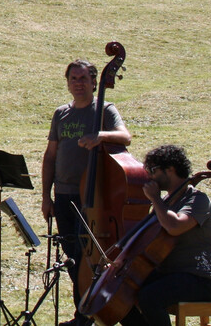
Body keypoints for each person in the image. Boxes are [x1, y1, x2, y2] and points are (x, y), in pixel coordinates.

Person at [41, 59, 132, 326]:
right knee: (73, 255)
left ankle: (87, 314)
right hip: (64, 195)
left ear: (94, 81)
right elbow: (50, 156)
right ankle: (84, 311)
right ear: (67, 83)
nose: (78, 84)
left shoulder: (104, 109)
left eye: (83, 78)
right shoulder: (61, 113)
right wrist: (47, 196)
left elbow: (125, 136)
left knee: (88, 257)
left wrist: (100, 136)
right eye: (73, 79)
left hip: (92, 197)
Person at [117, 145, 211, 326]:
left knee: (150, 297)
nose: (149, 176)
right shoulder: (166, 202)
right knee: (121, 292)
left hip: (200, 278)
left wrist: (155, 199)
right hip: (172, 274)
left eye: (153, 170)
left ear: (170, 170)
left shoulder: (197, 200)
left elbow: (174, 226)